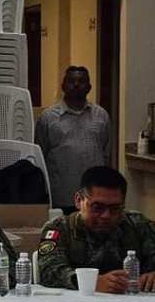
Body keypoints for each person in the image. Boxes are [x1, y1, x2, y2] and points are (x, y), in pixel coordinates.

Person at [38, 166, 155, 293]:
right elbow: (49, 271)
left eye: (115, 209)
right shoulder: (60, 228)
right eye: (97, 208)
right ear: (78, 200)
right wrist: (93, 282)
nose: (106, 215)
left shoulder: (138, 225)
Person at [35, 65, 111, 213]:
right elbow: (40, 157)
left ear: (89, 87)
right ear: (63, 86)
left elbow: (106, 154)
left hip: (94, 196)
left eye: (81, 81)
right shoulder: (48, 117)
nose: (76, 85)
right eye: (71, 81)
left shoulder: (101, 116)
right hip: (60, 196)